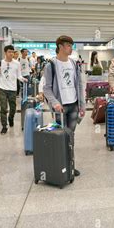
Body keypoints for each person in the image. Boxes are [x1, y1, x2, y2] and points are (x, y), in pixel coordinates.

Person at [43, 35, 85, 178]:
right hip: (60, 108)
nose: (71, 48)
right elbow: (47, 88)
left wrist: (82, 105)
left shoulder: (74, 64)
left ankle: (70, 165)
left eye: (71, 45)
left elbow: (79, 85)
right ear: (60, 46)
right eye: (68, 45)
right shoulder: (51, 65)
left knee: (70, 136)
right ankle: (61, 165)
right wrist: (55, 103)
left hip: (73, 105)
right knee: (61, 136)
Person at [0, 45, 28, 134]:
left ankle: (11, 118)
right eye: (9, 52)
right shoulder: (0, 62)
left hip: (13, 89)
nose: (11, 54)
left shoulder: (17, 63)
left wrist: (23, 79)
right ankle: (4, 126)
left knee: (13, 108)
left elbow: (19, 75)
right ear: (5, 52)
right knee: (3, 107)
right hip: (2, 88)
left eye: (12, 52)